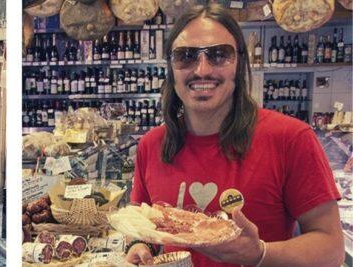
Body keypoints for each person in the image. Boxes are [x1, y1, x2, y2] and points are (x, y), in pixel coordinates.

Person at [125, 5, 342, 267]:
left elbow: (331, 249)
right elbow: (141, 225)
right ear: (171, 68)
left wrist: (259, 254)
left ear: (239, 64)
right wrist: (140, 245)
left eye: (219, 55)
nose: (202, 70)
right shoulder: (151, 145)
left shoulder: (291, 138)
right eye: (185, 56)